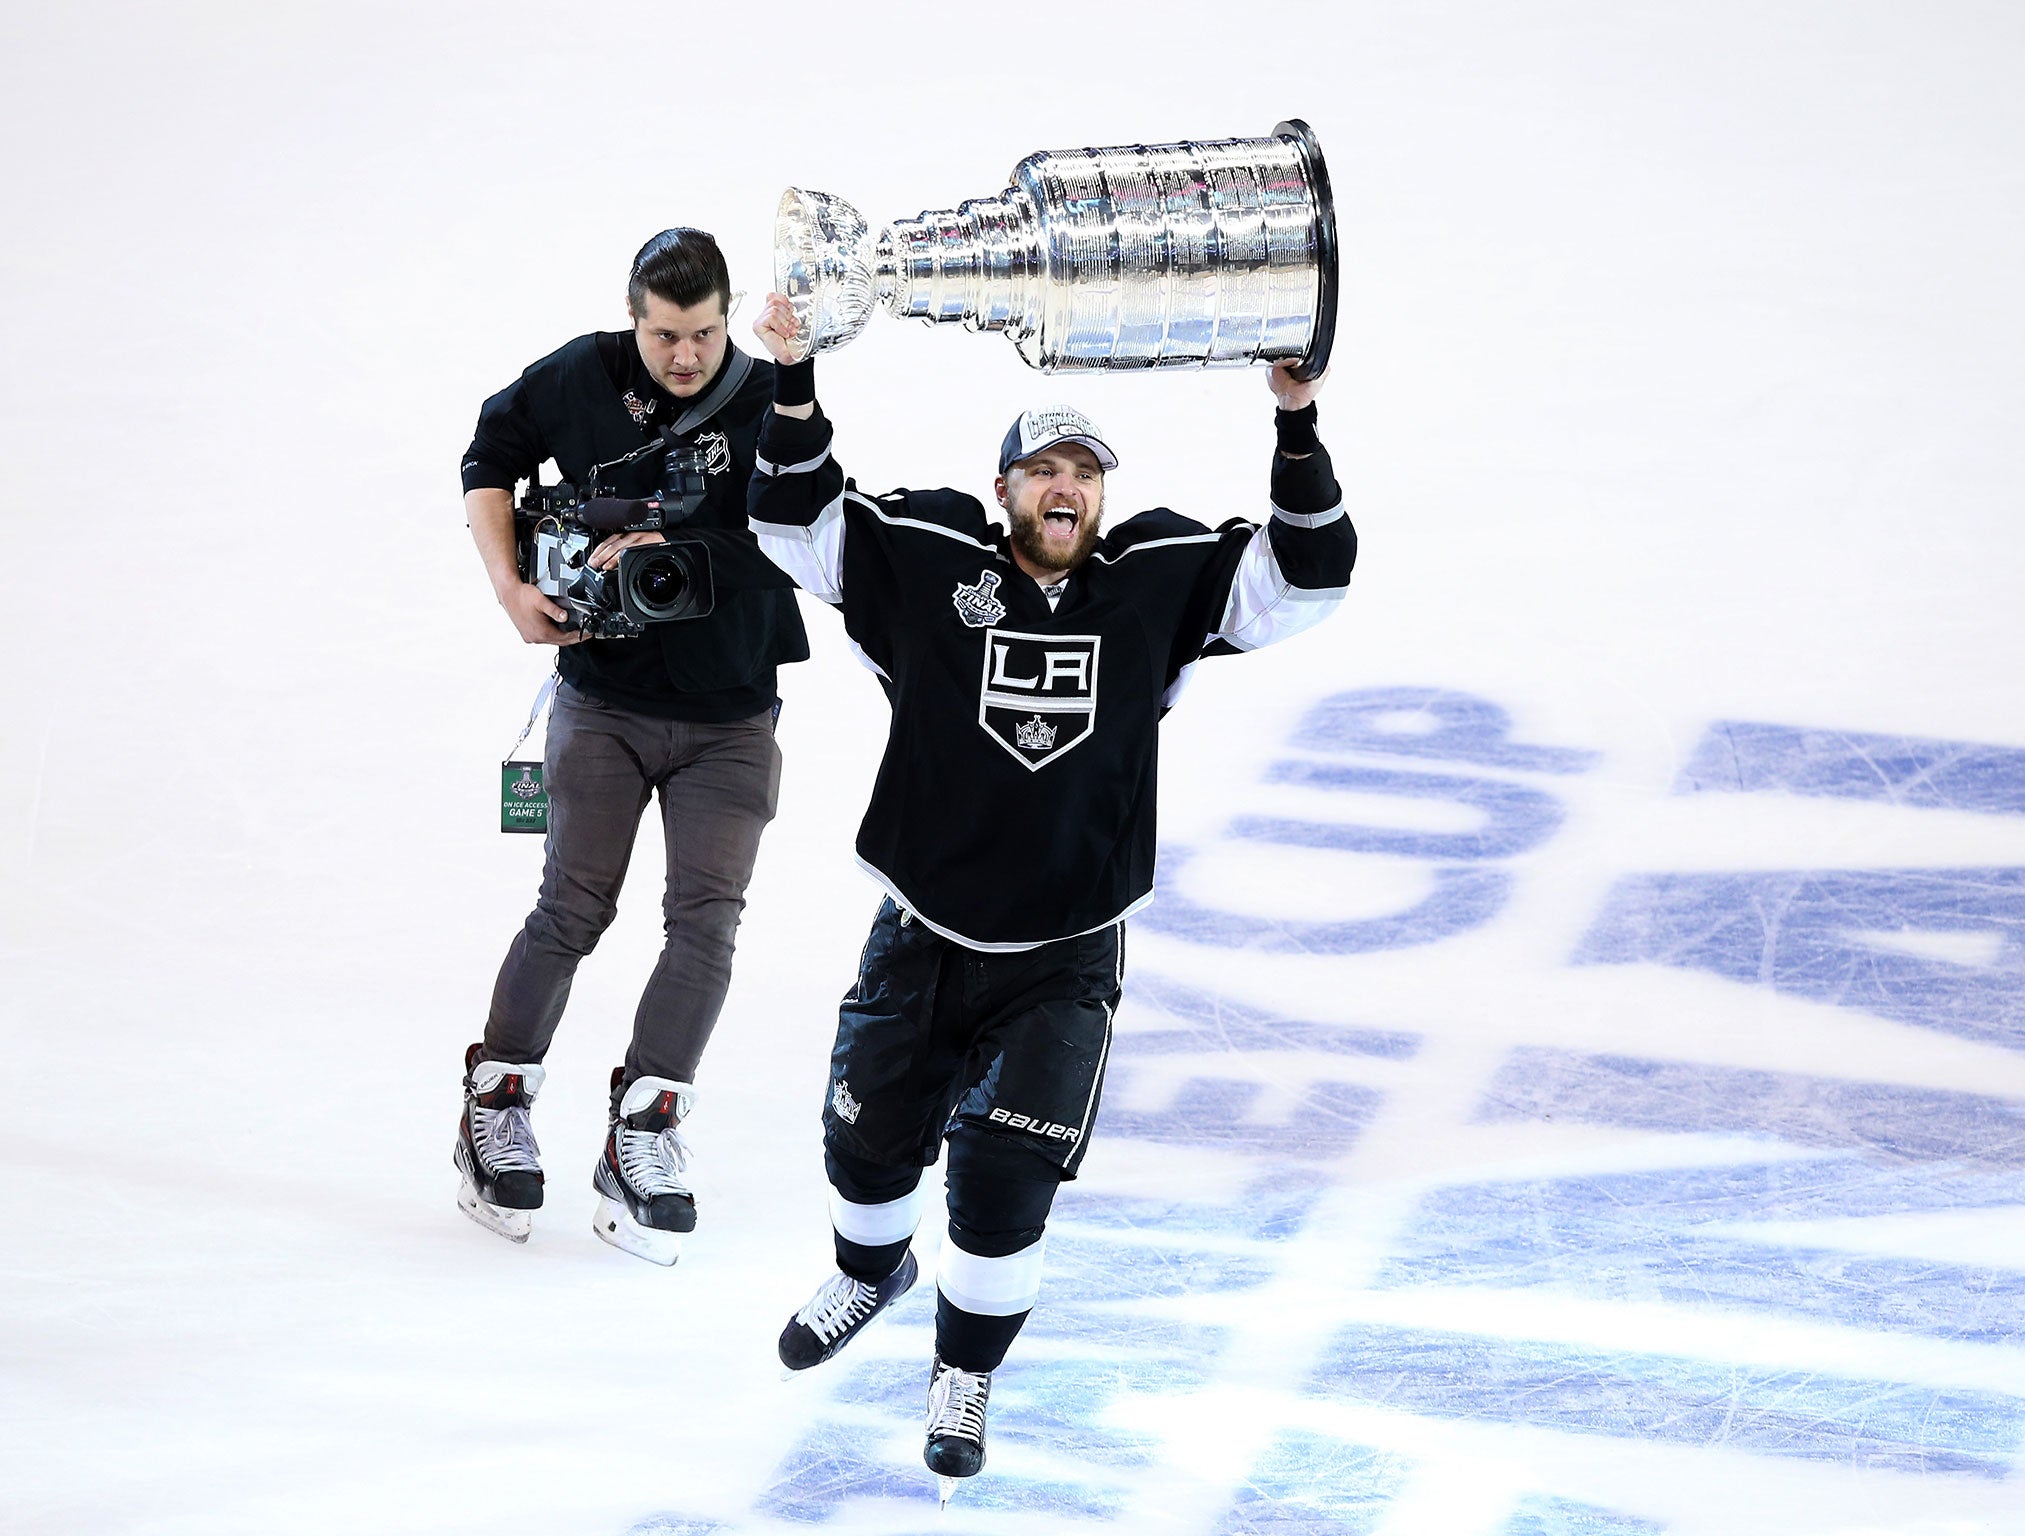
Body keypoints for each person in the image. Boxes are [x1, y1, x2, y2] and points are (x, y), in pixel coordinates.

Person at [745, 291, 1354, 1486]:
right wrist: (795, 373)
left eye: (1084, 471)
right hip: (921, 924)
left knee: (1003, 1183)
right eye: (1041, 469)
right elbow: (790, 519)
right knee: (863, 1155)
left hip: (1067, 947)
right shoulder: (928, 560)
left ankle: (963, 1374)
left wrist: (1295, 417)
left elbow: (1310, 575)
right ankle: (870, 1275)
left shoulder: (1157, 579)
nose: (1064, 487)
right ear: (1005, 487)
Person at [451, 230, 808, 1265]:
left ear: (728, 316)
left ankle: (644, 1132)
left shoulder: (763, 397)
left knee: (707, 925)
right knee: (572, 908)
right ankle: (496, 1106)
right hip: (601, 696)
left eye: (701, 334)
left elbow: (808, 522)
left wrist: (686, 545)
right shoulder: (578, 375)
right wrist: (511, 588)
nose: (685, 356)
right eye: (663, 335)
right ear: (631, 315)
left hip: (733, 710)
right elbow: (488, 456)